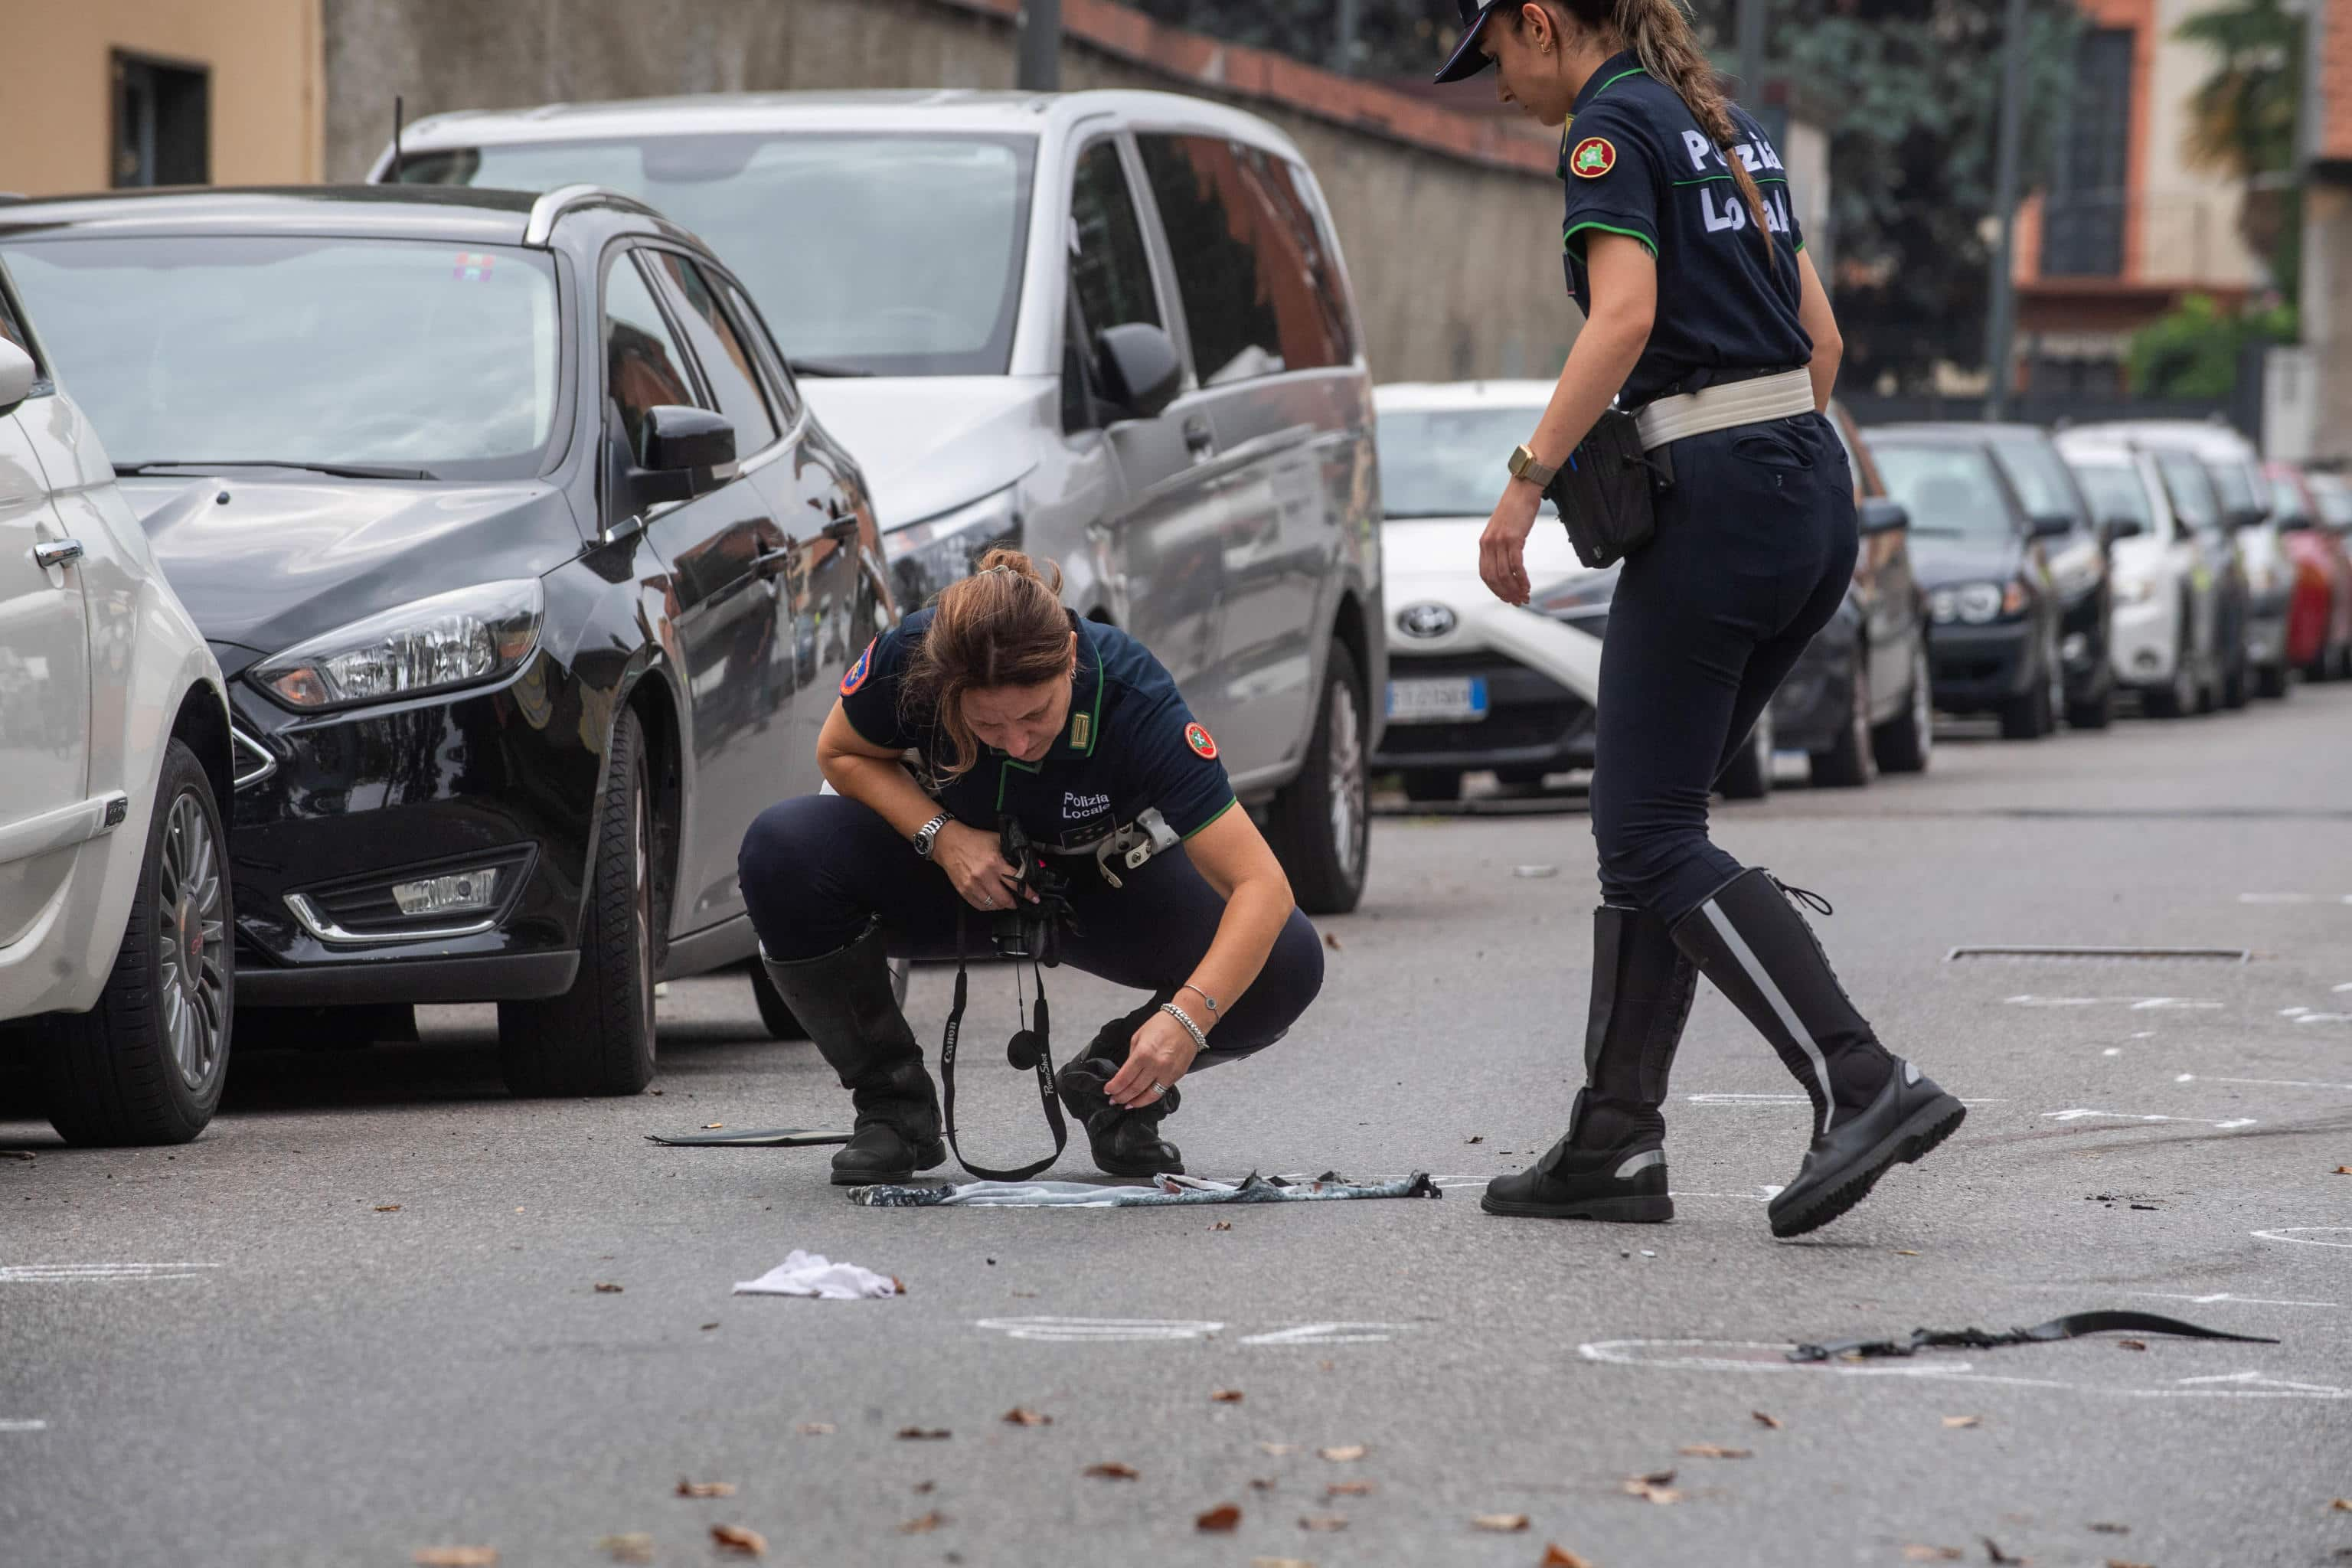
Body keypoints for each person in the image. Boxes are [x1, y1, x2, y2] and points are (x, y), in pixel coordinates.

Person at [1432, 0, 1964, 1236]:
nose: (1497, 84)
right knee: (1658, 817)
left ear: (1541, 21)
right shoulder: (1730, 130)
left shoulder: (1610, 133)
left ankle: (1861, 1079)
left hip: (1724, 506)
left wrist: (1524, 483)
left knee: (1648, 831)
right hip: (1813, 487)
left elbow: (1620, 319)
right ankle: (1614, 1138)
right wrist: (1764, 453)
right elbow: (1818, 341)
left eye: (1497, 54)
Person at [737, 550, 1324, 1185]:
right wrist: (942, 835)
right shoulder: (911, 656)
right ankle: (893, 1110)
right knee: (780, 848)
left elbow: (1261, 885)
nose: (1015, 740)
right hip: (955, 876)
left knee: (1287, 956)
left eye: (1036, 715)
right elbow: (839, 751)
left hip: (1098, 885)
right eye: (986, 722)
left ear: (1069, 657)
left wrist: (1187, 1018)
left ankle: (1115, 1083)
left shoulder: (1135, 696)